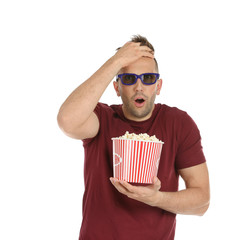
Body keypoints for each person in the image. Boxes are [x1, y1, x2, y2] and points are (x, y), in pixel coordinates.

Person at [57, 35, 210, 240]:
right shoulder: (101, 119)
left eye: (147, 78)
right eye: (129, 79)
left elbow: (201, 202)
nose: (139, 87)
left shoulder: (179, 124)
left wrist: (156, 198)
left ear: (158, 86)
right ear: (117, 88)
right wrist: (116, 61)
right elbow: (67, 120)